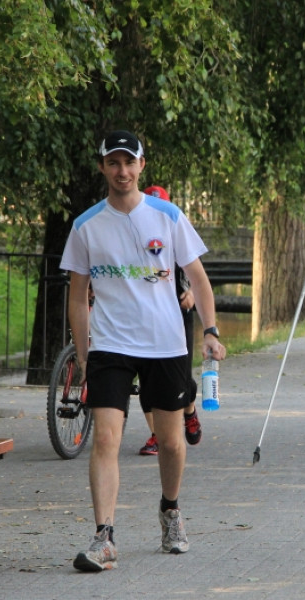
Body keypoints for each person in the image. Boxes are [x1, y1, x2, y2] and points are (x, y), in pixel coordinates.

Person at [60, 130, 225, 572]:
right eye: (113, 163)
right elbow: (78, 296)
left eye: (129, 163)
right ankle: (104, 537)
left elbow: (200, 279)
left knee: (171, 443)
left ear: (142, 166)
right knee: (107, 438)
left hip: (166, 343)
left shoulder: (168, 216)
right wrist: (83, 353)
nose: (122, 171)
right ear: (102, 168)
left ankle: (170, 510)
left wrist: (210, 330)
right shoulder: (85, 226)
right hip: (111, 346)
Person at [136, 186, 203, 456]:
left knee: (181, 379)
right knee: (146, 381)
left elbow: (198, 278)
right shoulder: (134, 239)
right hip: (143, 317)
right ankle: (156, 435)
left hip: (177, 315)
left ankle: (188, 409)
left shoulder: (177, 236)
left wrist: (191, 295)